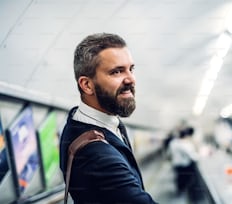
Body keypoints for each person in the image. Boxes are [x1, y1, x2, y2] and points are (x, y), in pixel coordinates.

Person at [59, 33, 157, 203]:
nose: (131, 79)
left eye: (131, 69)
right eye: (117, 72)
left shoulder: (79, 119)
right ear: (87, 85)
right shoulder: (98, 157)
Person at [168, 126, 204, 203]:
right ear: (186, 136)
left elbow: (169, 153)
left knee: (179, 177)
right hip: (184, 165)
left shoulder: (173, 142)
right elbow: (192, 156)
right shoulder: (184, 144)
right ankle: (182, 193)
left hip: (175, 164)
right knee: (184, 179)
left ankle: (179, 191)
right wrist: (200, 156)